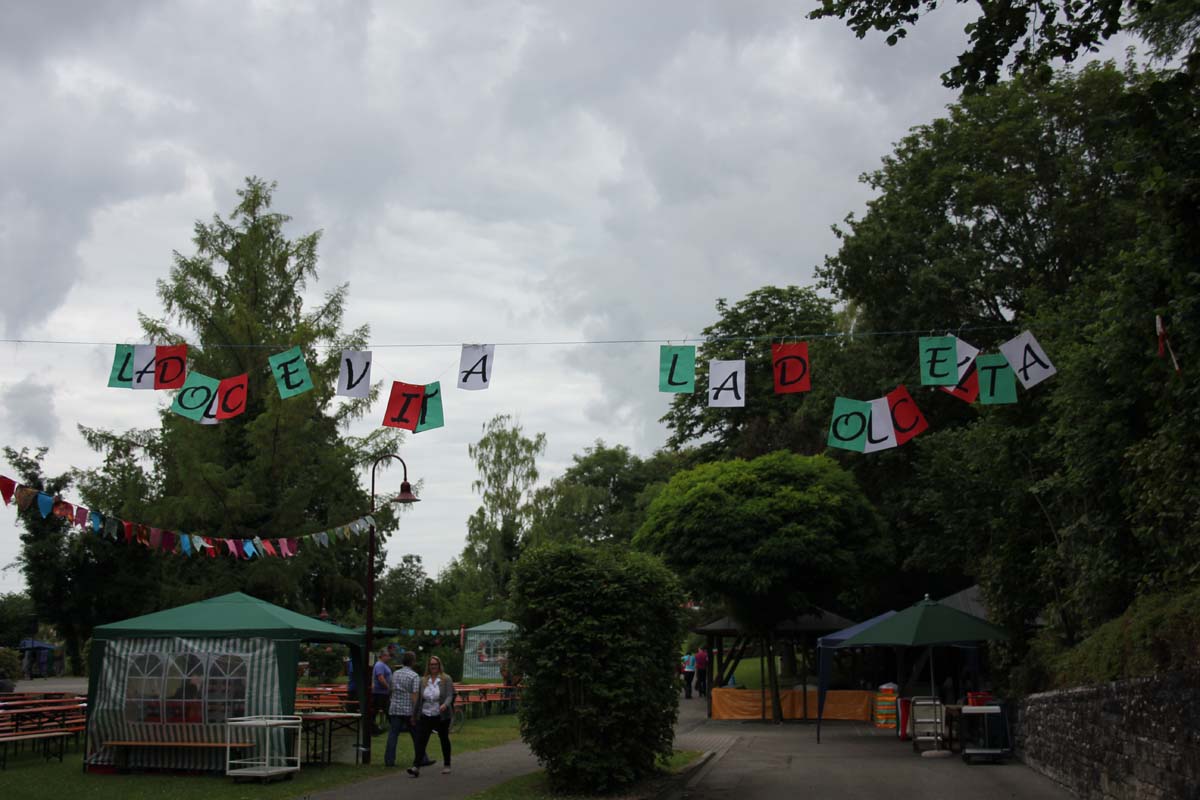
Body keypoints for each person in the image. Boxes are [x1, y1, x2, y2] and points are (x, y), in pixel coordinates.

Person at [407, 655, 456, 777]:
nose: (433, 666)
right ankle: (416, 766)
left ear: (439, 665)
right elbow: (419, 699)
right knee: (421, 741)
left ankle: (447, 764)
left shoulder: (446, 679)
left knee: (444, 739)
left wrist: (445, 704)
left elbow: (450, 695)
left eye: (435, 664)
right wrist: (414, 715)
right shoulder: (423, 680)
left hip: (441, 715)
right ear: (428, 666)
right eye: (431, 664)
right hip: (426, 713)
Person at [385, 651, 424, 767]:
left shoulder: (395, 674)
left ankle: (389, 760)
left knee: (393, 734)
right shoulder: (414, 676)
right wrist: (415, 713)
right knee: (416, 735)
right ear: (413, 662)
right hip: (408, 710)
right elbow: (415, 695)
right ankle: (422, 758)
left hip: (395, 708)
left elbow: (390, 689)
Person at [370, 650, 392, 735]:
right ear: (382, 656)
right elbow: (380, 678)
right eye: (387, 656)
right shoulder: (379, 665)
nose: (389, 657)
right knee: (376, 710)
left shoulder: (383, 665)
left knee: (387, 710)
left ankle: (389, 726)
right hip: (380, 692)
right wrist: (388, 687)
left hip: (383, 692)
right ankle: (373, 728)